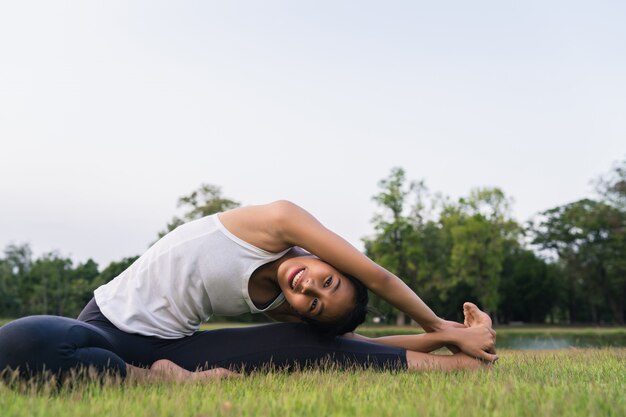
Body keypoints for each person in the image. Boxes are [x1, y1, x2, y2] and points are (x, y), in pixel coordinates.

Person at [0, 200, 497, 381]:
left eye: (316, 304)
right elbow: (378, 278)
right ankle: (160, 379)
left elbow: (340, 347)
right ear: (327, 260)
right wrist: (439, 324)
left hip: (175, 347)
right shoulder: (279, 222)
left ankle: (458, 366)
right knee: (19, 347)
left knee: (308, 350)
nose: (310, 288)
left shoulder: (285, 305)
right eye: (327, 280)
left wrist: (442, 346)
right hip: (106, 324)